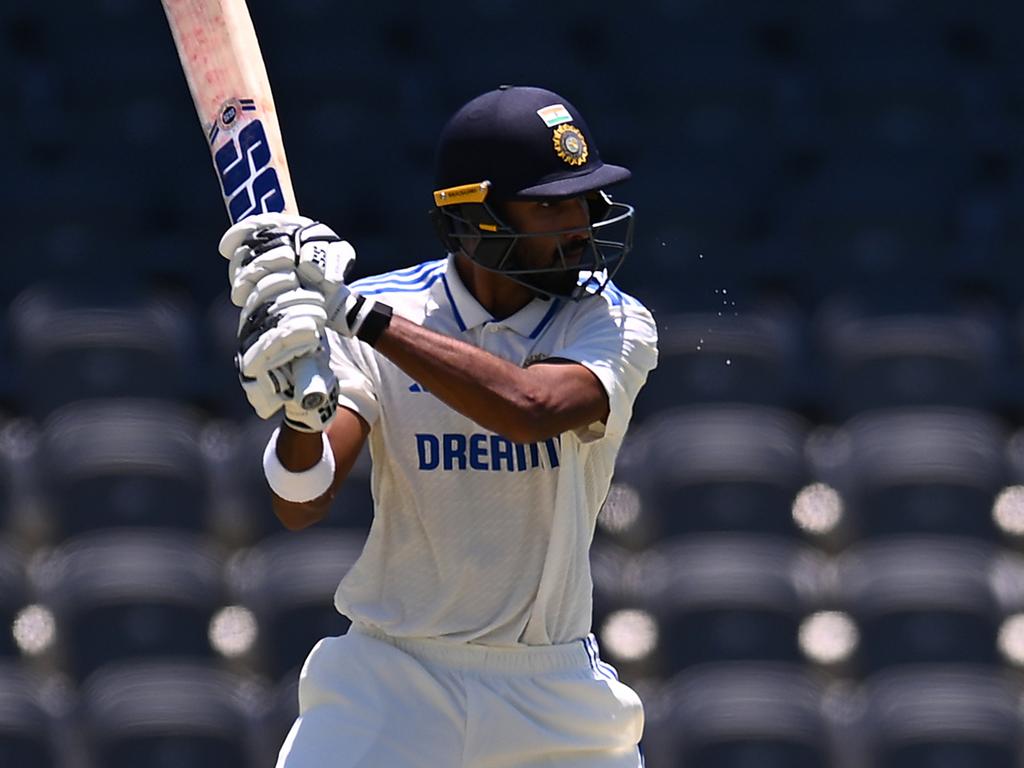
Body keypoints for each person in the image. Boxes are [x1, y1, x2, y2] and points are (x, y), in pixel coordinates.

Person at [219, 85, 659, 767]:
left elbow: (529, 411)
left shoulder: (612, 322)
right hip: (390, 681)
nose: (580, 222)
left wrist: (353, 314)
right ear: (476, 217)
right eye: (551, 205)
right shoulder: (382, 312)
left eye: (584, 199)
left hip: (551, 690)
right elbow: (301, 502)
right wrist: (300, 418)